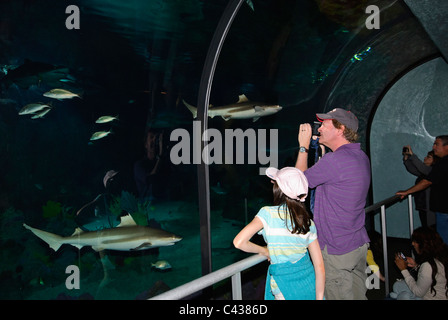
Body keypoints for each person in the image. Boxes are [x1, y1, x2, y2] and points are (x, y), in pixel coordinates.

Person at [295, 108, 371, 300]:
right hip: (357, 243)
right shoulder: (360, 156)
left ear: (340, 129)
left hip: (337, 249)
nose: (319, 129)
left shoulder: (335, 161)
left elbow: (297, 185)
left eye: (324, 125)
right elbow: (334, 179)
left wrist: (303, 148)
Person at [233, 167, 325, 300]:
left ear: (278, 189)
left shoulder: (267, 214)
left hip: (283, 288)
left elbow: (239, 242)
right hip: (308, 284)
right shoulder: (307, 222)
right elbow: (320, 266)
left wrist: (265, 251)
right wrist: (319, 297)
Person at [396, 135, 448, 244]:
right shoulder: (441, 164)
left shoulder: (441, 165)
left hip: (443, 210)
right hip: (432, 208)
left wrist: (407, 192)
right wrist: (407, 158)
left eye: (436, 144)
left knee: (441, 239)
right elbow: (414, 169)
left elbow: (426, 181)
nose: (434, 147)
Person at [391, 227, 448, 300]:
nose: (413, 244)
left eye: (415, 241)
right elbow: (434, 274)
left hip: (431, 297)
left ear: (423, 244)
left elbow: (418, 292)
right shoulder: (442, 256)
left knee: (404, 293)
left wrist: (403, 270)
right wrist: (416, 266)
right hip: (440, 293)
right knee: (398, 285)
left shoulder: (428, 265)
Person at [402, 146, 440, 227]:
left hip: (430, 207)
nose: (425, 158)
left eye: (428, 157)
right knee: (426, 226)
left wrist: (412, 155)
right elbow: (412, 169)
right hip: (423, 206)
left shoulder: (432, 171)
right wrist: (406, 158)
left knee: (431, 227)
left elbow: (421, 167)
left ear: (434, 160)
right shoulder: (424, 173)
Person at [133, 128, 169, 202]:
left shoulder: (165, 164)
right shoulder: (139, 165)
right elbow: (151, 179)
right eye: (152, 137)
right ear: (146, 144)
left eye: (157, 138)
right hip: (149, 209)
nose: (155, 140)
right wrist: (161, 156)